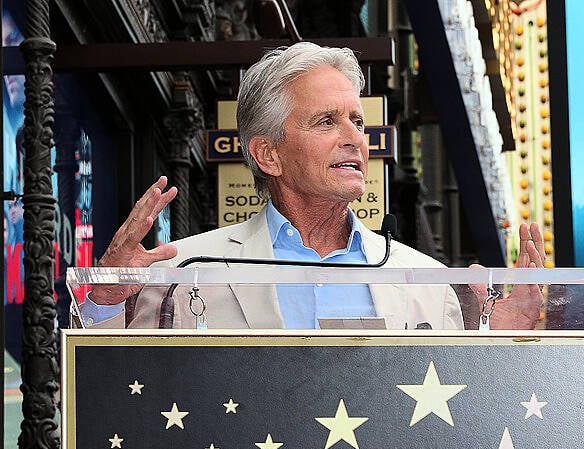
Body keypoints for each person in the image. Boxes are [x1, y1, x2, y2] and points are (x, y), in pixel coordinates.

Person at [79, 42, 544, 330]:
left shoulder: (428, 282)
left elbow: (462, 431)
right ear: (268, 154)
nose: (354, 138)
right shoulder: (185, 271)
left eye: (357, 121)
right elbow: (115, 403)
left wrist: (501, 340)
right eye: (326, 121)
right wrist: (105, 299)